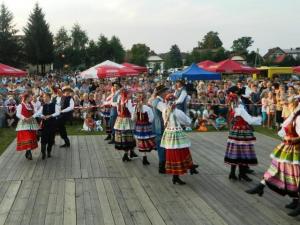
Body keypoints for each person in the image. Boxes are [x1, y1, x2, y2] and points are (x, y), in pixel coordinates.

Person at [246, 101, 300, 217]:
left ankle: (297, 201)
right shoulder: (294, 115)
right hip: (287, 148)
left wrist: (291, 139)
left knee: (294, 176)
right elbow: (283, 130)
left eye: (291, 104)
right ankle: (261, 186)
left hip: (295, 151)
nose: (288, 105)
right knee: (277, 169)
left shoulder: (298, 117)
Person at [160, 94, 198, 185]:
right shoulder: (177, 112)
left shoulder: (164, 110)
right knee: (181, 152)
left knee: (171, 153)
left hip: (168, 133)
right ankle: (179, 174)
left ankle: (176, 175)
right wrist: (192, 119)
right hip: (176, 133)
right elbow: (188, 121)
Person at [225, 92, 262, 181]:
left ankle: (232, 173)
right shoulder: (240, 109)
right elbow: (249, 120)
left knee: (235, 153)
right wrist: (259, 118)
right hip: (242, 132)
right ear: (237, 100)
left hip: (234, 132)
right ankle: (242, 174)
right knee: (243, 153)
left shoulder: (231, 109)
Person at [132, 92, 156, 165]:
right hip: (146, 126)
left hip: (138, 126)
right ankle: (145, 158)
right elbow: (151, 119)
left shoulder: (135, 107)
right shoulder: (148, 108)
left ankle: (143, 156)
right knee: (146, 141)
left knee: (141, 141)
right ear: (145, 99)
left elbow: (133, 118)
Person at [34, 92, 60, 160]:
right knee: (43, 139)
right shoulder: (43, 106)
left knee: (51, 140)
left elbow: (58, 112)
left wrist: (50, 115)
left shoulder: (55, 105)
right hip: (45, 125)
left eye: (45, 97)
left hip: (52, 124)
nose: (44, 98)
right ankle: (43, 153)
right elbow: (38, 113)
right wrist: (43, 116)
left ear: (49, 97)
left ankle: (49, 152)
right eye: (43, 97)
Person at [113, 88, 137, 161]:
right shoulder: (128, 101)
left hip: (120, 120)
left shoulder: (120, 100)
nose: (131, 94)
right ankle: (126, 154)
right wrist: (135, 109)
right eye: (129, 93)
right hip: (127, 120)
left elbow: (118, 111)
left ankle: (131, 152)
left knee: (124, 138)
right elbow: (131, 110)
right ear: (127, 93)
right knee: (128, 137)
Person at [150, 84, 169, 174]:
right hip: (160, 126)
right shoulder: (159, 102)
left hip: (158, 125)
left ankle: (163, 165)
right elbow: (166, 111)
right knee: (162, 146)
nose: (167, 93)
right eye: (165, 91)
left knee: (162, 146)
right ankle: (162, 166)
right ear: (161, 93)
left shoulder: (157, 101)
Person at [16, 93, 39, 160]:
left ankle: (28, 151)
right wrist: (24, 118)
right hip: (24, 123)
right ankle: (28, 152)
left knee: (31, 137)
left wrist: (34, 116)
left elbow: (35, 112)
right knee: (27, 137)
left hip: (31, 122)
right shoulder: (21, 105)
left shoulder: (31, 105)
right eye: (30, 97)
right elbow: (18, 114)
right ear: (26, 98)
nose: (31, 98)